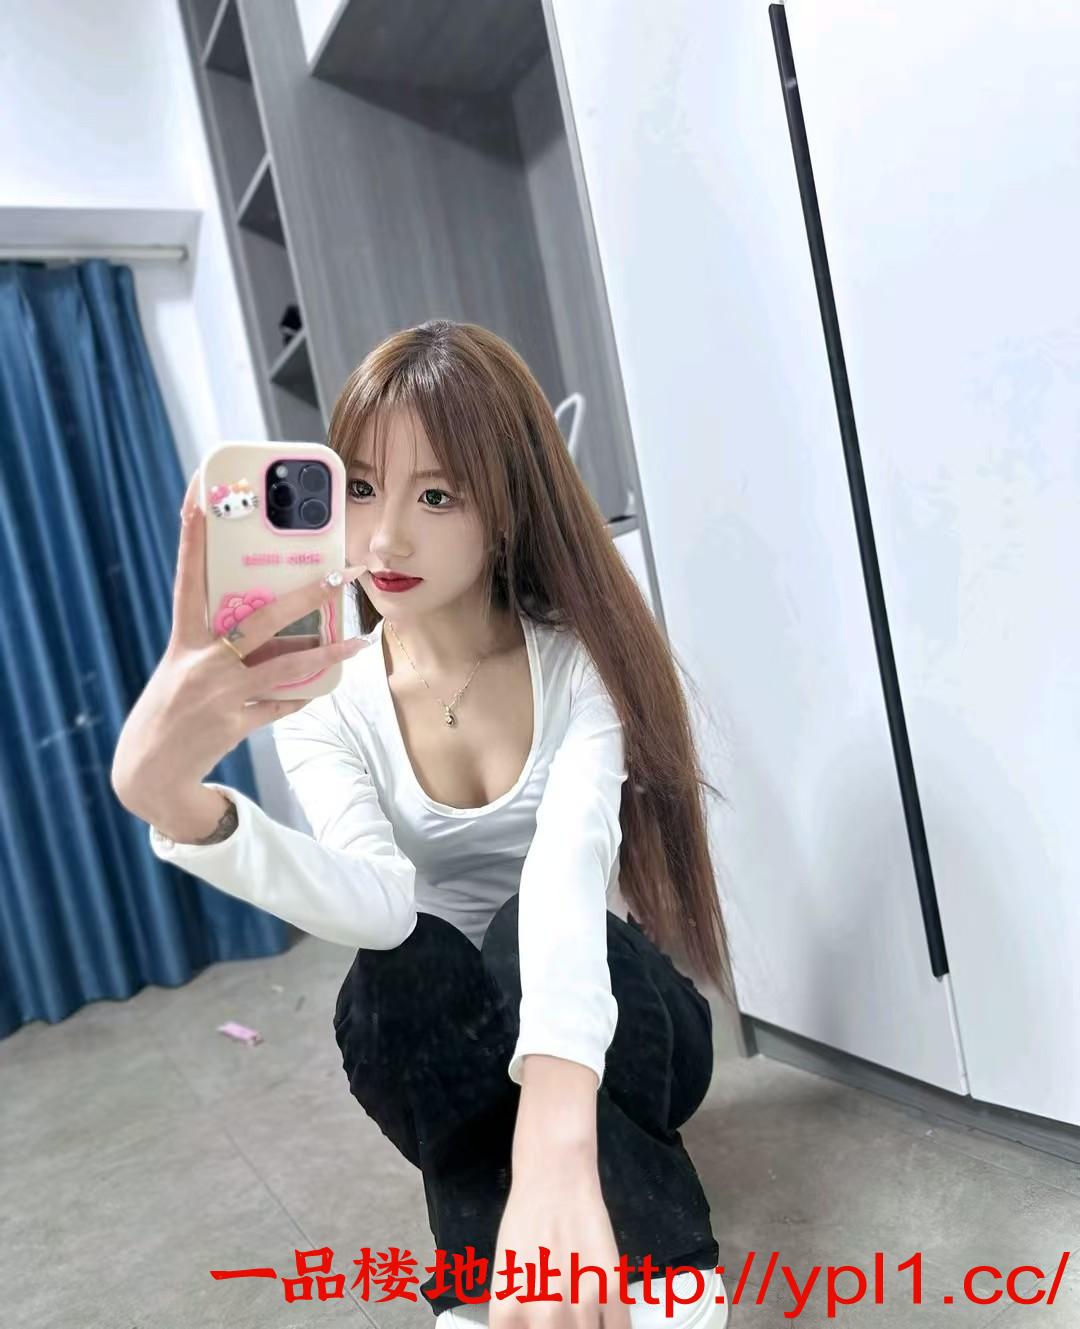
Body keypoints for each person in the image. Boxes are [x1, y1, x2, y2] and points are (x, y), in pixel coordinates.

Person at [112, 320, 736, 1328]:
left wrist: (556, 1143)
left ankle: (654, 1255)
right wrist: (181, 804)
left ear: (509, 507)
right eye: (360, 489)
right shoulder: (326, 695)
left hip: (624, 1028)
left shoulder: (578, 664)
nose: (384, 539)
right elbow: (378, 902)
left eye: (437, 496)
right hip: (455, 1053)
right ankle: (482, 1272)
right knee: (397, 965)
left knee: (524, 928)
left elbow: (566, 876)